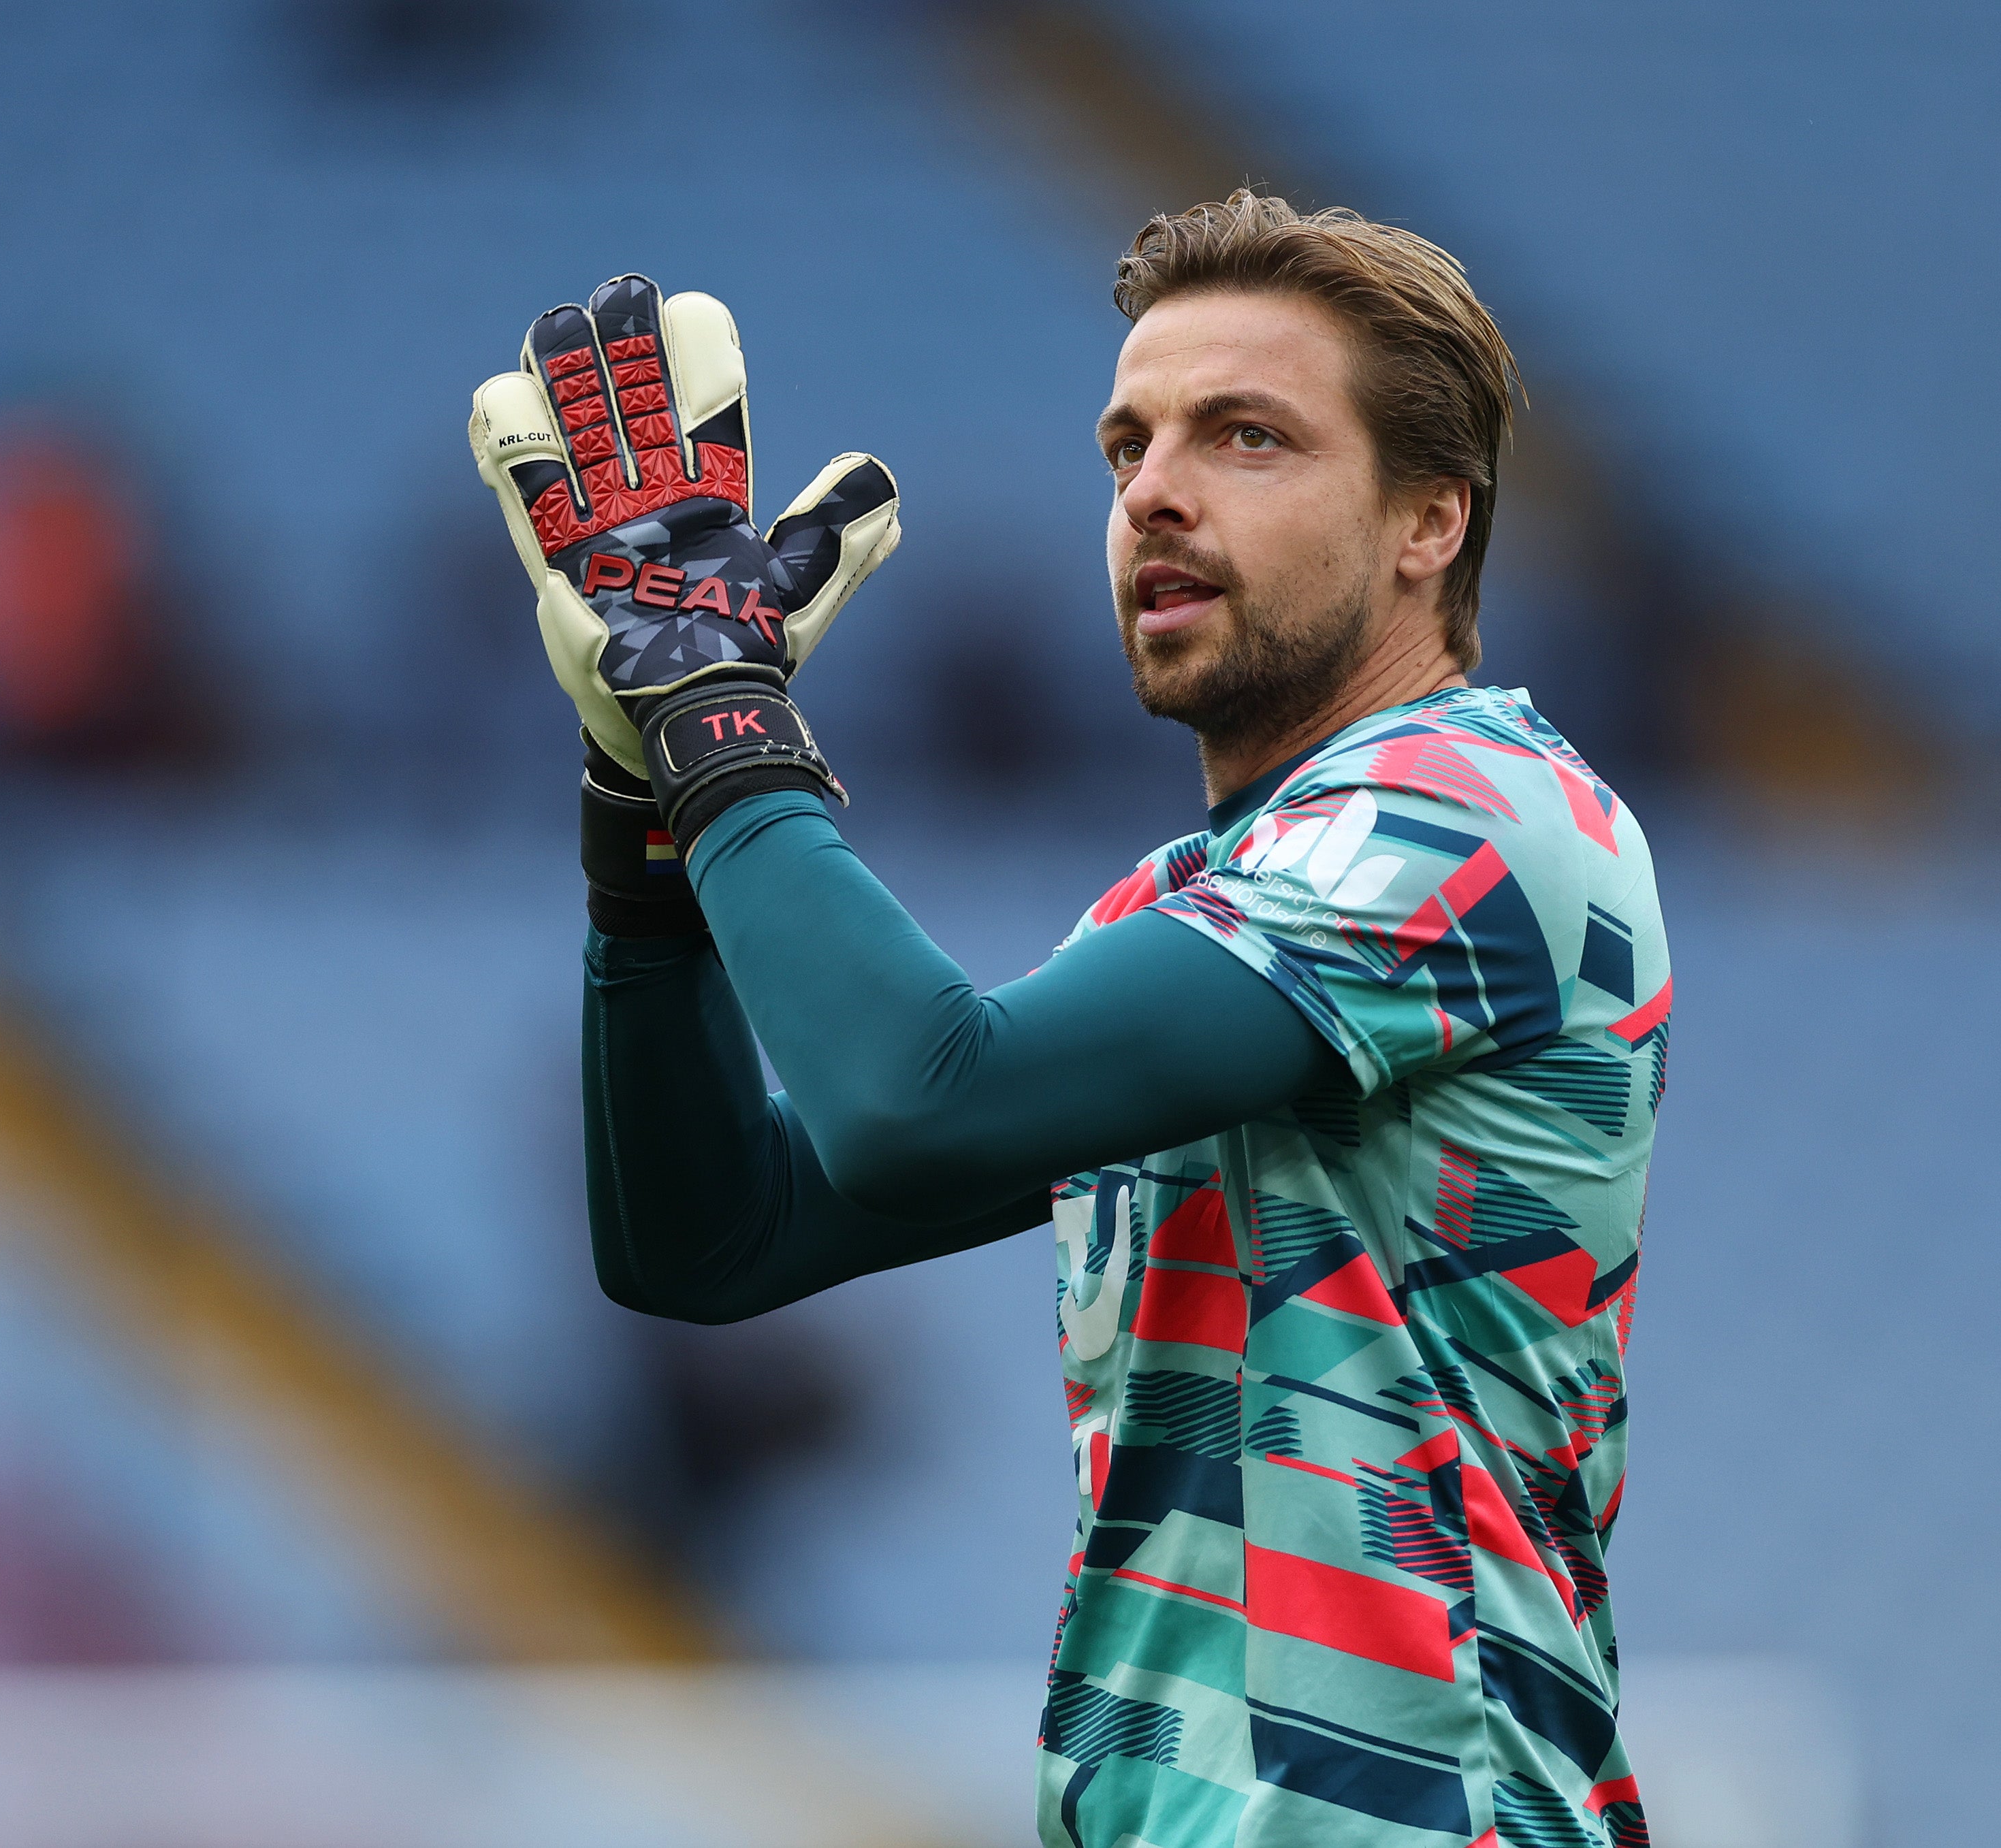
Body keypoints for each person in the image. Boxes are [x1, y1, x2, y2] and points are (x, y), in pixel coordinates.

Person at [469, 191, 1669, 1848]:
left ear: (1427, 524)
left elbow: (915, 1098)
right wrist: (644, 798)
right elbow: (708, 1238)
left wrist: (718, 717)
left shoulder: (1472, 815)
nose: (1154, 489)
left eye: (1246, 437)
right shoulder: (1196, 904)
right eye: (1127, 444)